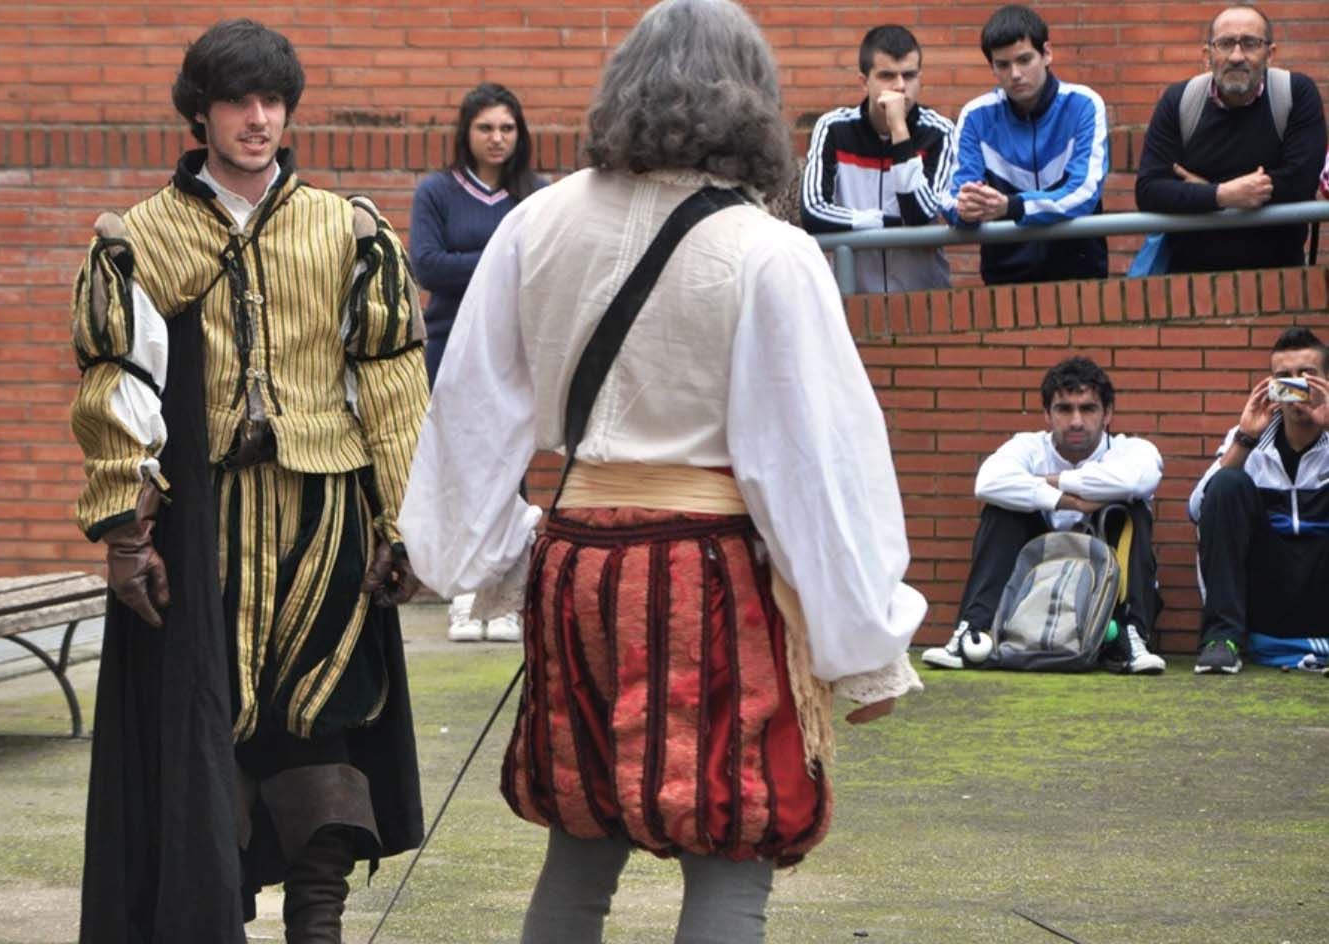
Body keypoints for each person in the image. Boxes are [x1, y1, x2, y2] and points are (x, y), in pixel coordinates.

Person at [398, 0, 926, 940]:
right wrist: (862, 639)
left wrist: (497, 553)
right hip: (706, 577)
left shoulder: (534, 223)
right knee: (731, 837)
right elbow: (813, 463)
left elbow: (467, 413)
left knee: (580, 836)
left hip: (575, 564)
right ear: (751, 99)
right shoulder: (769, 251)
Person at [69, 19, 426, 942]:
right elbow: (117, 386)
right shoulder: (142, 238)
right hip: (204, 521)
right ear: (201, 113)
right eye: (237, 101)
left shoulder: (347, 229)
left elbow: (391, 386)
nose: (258, 119)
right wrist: (127, 533)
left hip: (326, 512)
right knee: (206, 720)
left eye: (272, 101)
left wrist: (404, 522)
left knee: (324, 712)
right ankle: (210, 916)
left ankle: (318, 925)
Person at [924, 357, 1168, 674]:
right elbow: (988, 483)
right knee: (1001, 509)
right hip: (1035, 584)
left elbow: (1135, 480)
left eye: (1088, 409)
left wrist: (1050, 481)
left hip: (1104, 594)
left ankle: (1130, 638)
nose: (1076, 421)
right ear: (1047, 415)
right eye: (1064, 409)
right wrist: (1068, 502)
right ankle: (974, 632)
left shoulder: (1131, 450)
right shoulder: (1028, 447)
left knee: (1129, 509)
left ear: (1107, 414)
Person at [410, 82, 546, 643]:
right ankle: (465, 597)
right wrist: (503, 259)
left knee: (510, 465)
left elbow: (543, 264)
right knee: (461, 464)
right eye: (486, 127)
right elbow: (427, 265)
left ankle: (506, 596)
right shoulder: (437, 192)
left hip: (515, 346)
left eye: (507, 128)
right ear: (466, 133)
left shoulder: (536, 194)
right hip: (449, 343)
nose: (497, 138)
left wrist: (474, 260)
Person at [1134, 6, 1327, 274]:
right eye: (1225, 44)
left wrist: (1205, 191)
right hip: (1189, 281)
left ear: (1270, 54)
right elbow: (1149, 191)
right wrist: (1223, 194)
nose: (1236, 56)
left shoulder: (1295, 95)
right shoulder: (1179, 101)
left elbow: (1300, 183)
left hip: (1278, 280)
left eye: (1250, 43)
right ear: (1207, 56)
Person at [1188, 327, 1329, 675]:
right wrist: (1245, 438)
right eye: (1285, 378)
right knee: (1226, 483)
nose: (1297, 387)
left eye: (1307, 376)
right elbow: (1199, 509)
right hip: (1269, 593)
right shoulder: (1249, 440)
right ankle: (1222, 640)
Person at [942, 4, 1110, 285]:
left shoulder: (1084, 104)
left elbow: (1084, 192)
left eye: (1024, 60)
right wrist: (965, 209)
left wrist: (1013, 206)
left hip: (1080, 275)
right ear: (992, 67)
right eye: (1003, 65)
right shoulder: (975, 116)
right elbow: (952, 197)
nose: (1015, 74)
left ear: (1047, 53)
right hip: (1004, 279)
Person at [799, 24, 955, 293]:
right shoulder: (834, 128)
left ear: (920, 78)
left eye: (909, 75)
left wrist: (899, 131)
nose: (900, 86)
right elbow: (813, 212)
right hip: (854, 299)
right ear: (864, 82)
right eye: (887, 76)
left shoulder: (939, 132)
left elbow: (920, 215)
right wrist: (887, 223)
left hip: (923, 299)